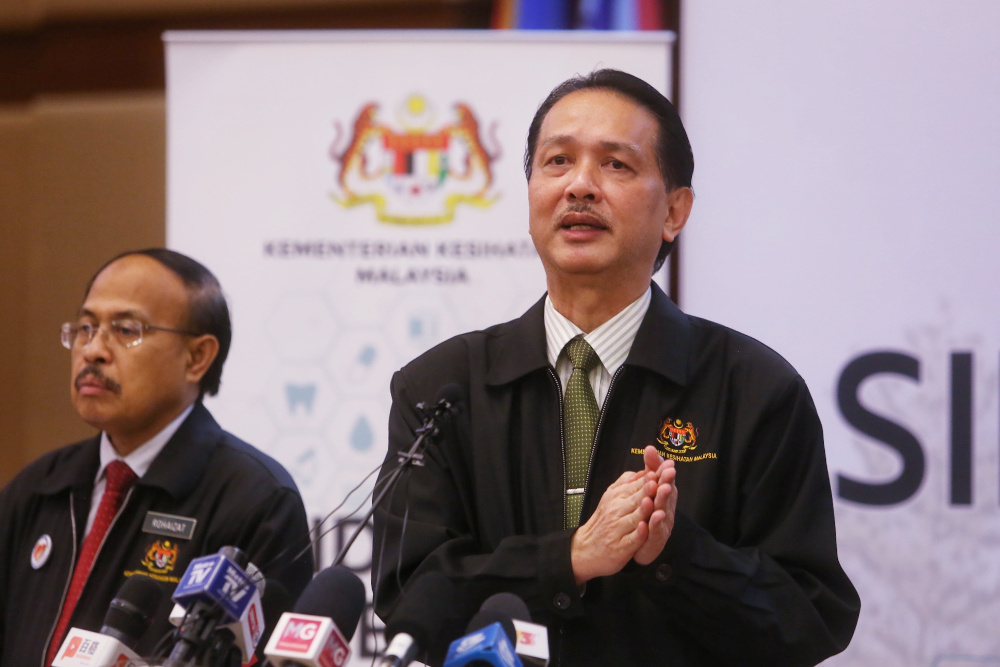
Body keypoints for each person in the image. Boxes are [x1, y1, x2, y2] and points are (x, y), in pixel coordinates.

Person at [372, 69, 860, 665]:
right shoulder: (441, 387)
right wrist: (570, 558)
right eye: (557, 162)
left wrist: (673, 554)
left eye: (616, 165)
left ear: (675, 212)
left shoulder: (755, 388)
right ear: (529, 194)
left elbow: (811, 618)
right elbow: (408, 595)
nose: (580, 186)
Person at [0, 248, 314, 665]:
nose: (93, 351)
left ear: (197, 357)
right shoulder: (39, 486)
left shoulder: (256, 500)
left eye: (126, 329)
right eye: (86, 328)